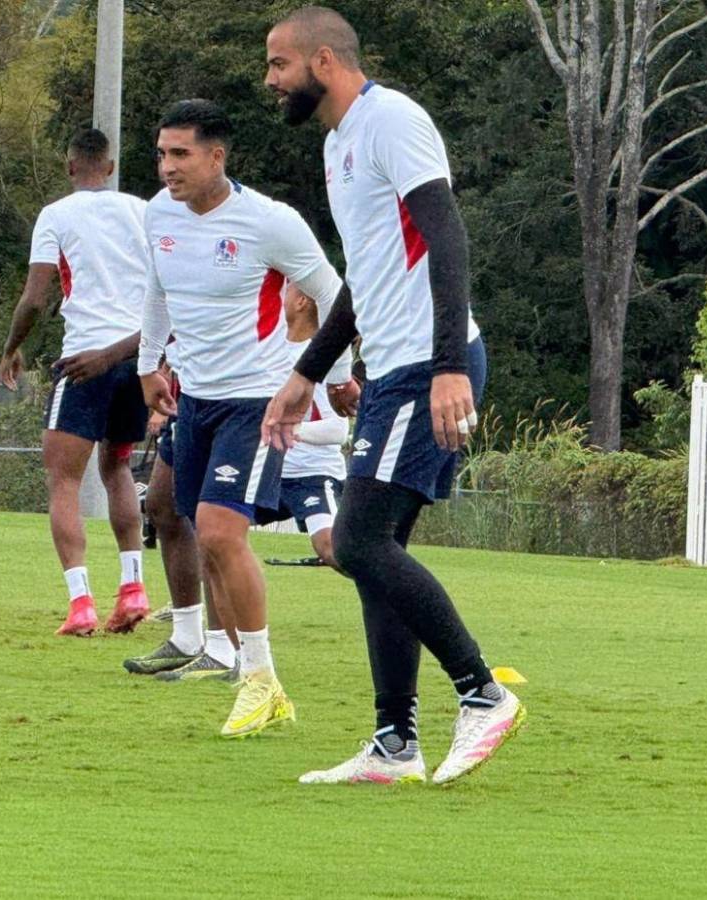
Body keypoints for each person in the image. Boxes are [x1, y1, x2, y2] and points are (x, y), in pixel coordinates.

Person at [262, 6, 525, 785]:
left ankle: (482, 694)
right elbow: (363, 282)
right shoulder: (340, 144)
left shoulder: (393, 121)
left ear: (323, 61)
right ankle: (393, 744)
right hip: (392, 371)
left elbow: (448, 239)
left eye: (279, 64)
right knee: (373, 552)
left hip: (425, 367)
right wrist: (308, 371)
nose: (271, 81)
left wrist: (447, 365)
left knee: (359, 542)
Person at [137, 99, 351, 739]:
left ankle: (262, 682)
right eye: (162, 154)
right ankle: (224, 654)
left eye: (181, 154)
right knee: (183, 518)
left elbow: (335, 293)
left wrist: (332, 378)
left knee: (222, 532)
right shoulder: (157, 214)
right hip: (194, 399)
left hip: (256, 403)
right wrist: (150, 365)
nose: (168, 167)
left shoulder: (268, 222)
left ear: (217, 156)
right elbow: (157, 290)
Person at [0, 128, 152, 636]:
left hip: (85, 359)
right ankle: (133, 589)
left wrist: (11, 348)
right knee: (119, 467)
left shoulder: (57, 215)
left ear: (70, 168)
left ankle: (81, 603)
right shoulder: (142, 210)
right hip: (137, 355)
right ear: (109, 168)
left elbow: (35, 298)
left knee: (63, 481)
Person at [122, 343, 240, 681]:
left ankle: (224, 649)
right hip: (190, 394)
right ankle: (187, 637)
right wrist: (154, 369)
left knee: (213, 520)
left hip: (231, 393)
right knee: (162, 502)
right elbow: (162, 312)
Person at [256, 283, 348, 568]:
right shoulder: (266, 348)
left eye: (286, 289)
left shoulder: (323, 356)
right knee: (210, 524)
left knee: (332, 550)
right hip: (265, 472)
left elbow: (339, 430)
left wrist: (292, 431)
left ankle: (396, 600)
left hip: (312, 475)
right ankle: (188, 606)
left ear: (302, 302)